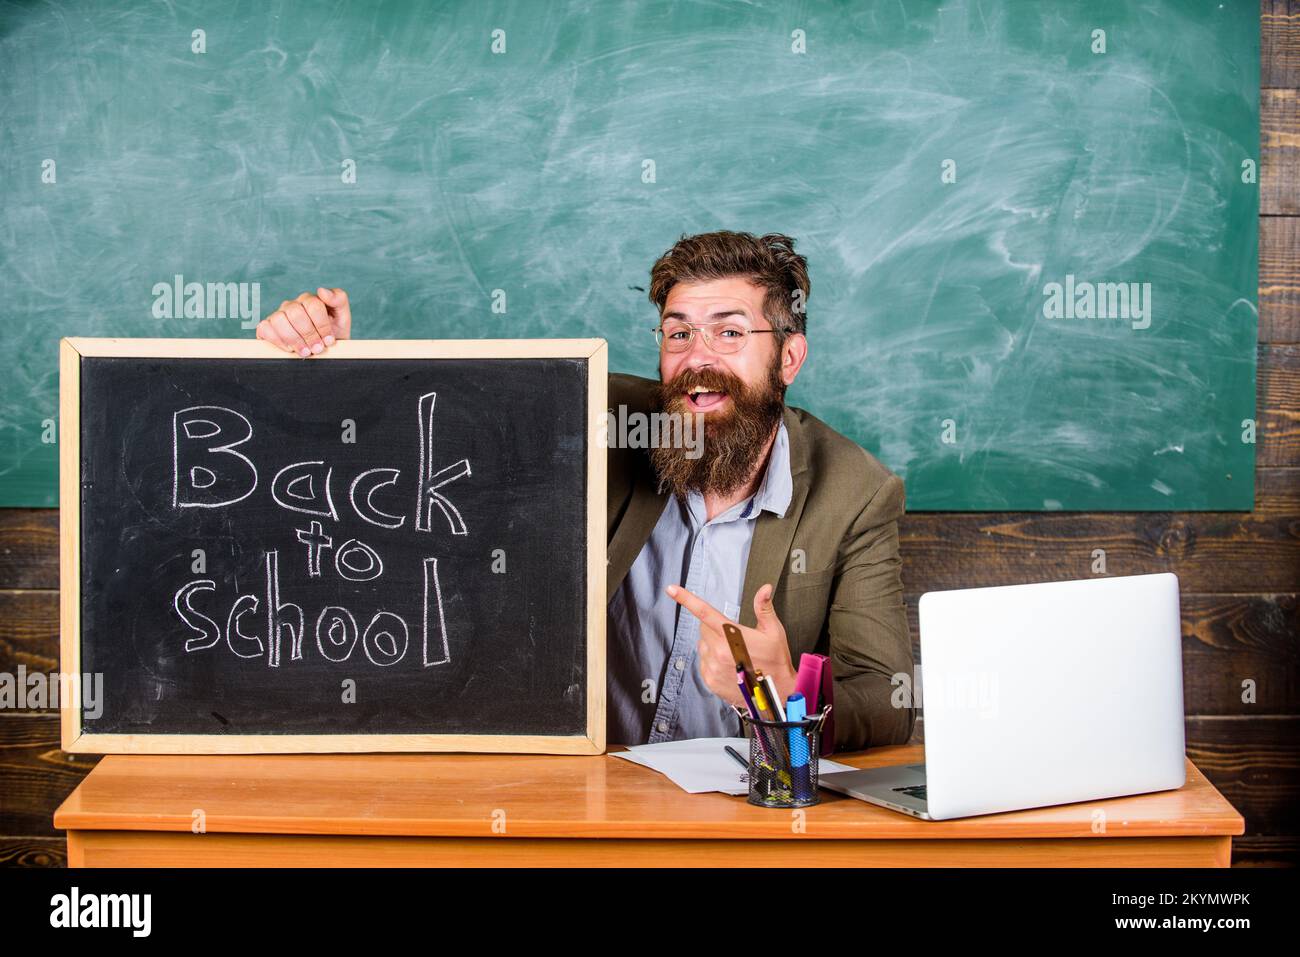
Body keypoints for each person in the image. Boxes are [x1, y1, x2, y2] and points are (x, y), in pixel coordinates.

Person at [254, 230, 915, 751]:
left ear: (789, 359)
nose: (698, 356)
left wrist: (778, 693)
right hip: (583, 792)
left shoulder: (855, 492)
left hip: (739, 812)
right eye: (679, 331)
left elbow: (887, 703)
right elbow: (426, 438)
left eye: (731, 331)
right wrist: (329, 365)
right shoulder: (598, 414)